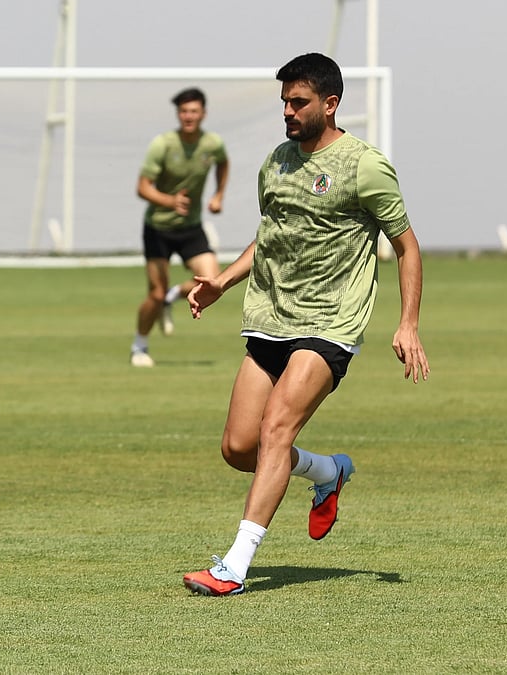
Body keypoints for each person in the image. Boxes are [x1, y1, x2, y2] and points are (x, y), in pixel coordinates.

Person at [181, 53, 429, 596]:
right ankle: (326, 472)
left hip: (330, 323)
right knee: (239, 448)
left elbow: (407, 247)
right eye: (285, 103)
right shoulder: (276, 161)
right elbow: (270, 234)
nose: (289, 112)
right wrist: (222, 281)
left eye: (300, 102)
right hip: (271, 316)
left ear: (330, 104)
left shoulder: (366, 166)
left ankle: (233, 566)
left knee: (276, 431)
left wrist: (408, 323)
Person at [130, 87, 229, 367]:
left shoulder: (212, 144)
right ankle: (139, 346)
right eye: (184, 111)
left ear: (203, 113)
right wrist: (169, 201)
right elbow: (142, 188)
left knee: (212, 279)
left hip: (191, 227)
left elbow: (223, 163)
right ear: (178, 114)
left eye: (194, 111)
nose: (189, 116)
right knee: (154, 293)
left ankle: (172, 297)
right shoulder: (163, 145)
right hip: (158, 228)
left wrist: (219, 194)